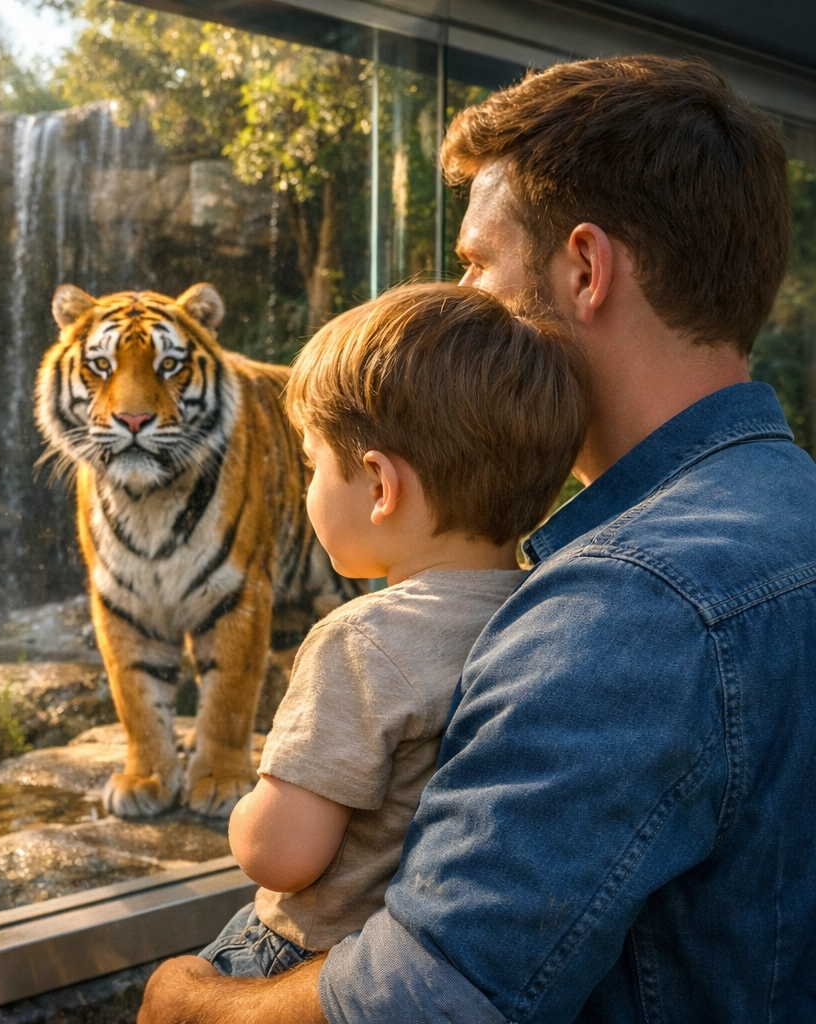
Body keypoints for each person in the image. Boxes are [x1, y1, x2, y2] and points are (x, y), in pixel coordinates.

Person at [141, 54, 816, 1023]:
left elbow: (423, 1001)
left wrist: (188, 1000)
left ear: (585, 269)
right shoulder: (787, 512)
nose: (457, 296)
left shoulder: (629, 603)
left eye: (474, 264)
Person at [201, 283, 585, 979]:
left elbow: (280, 856)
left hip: (303, 955)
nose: (307, 485)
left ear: (379, 486)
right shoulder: (547, 606)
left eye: (313, 463)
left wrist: (249, 808)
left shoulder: (361, 640)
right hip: (432, 949)